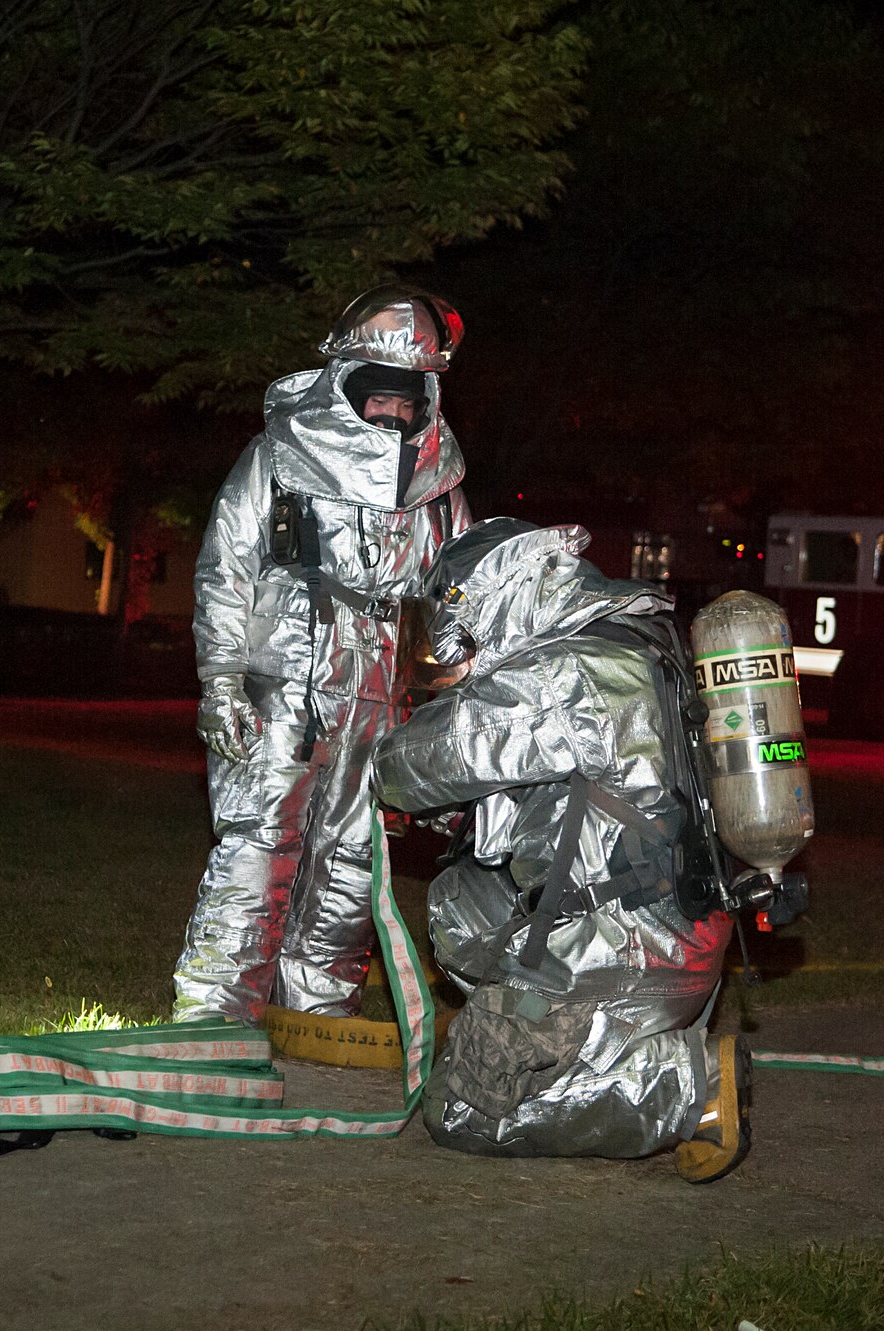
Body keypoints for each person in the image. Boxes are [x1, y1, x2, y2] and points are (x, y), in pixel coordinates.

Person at [370, 518, 749, 1182]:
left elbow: (408, 766)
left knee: (460, 1109)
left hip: (622, 951)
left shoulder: (564, 673)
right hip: (679, 933)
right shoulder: (638, 642)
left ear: (495, 602)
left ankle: (684, 1085)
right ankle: (568, 1034)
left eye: (457, 636)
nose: (453, 658)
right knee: (461, 896)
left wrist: (364, 748)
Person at [171, 285, 473, 1023]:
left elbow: (460, 601)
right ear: (348, 388)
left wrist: (454, 712)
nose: (392, 413)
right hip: (283, 694)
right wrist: (221, 682)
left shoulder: (439, 488)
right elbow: (226, 569)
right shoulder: (279, 458)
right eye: (379, 396)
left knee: (351, 865)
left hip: (381, 706)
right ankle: (216, 1020)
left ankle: (317, 1019)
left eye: (406, 400)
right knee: (258, 852)